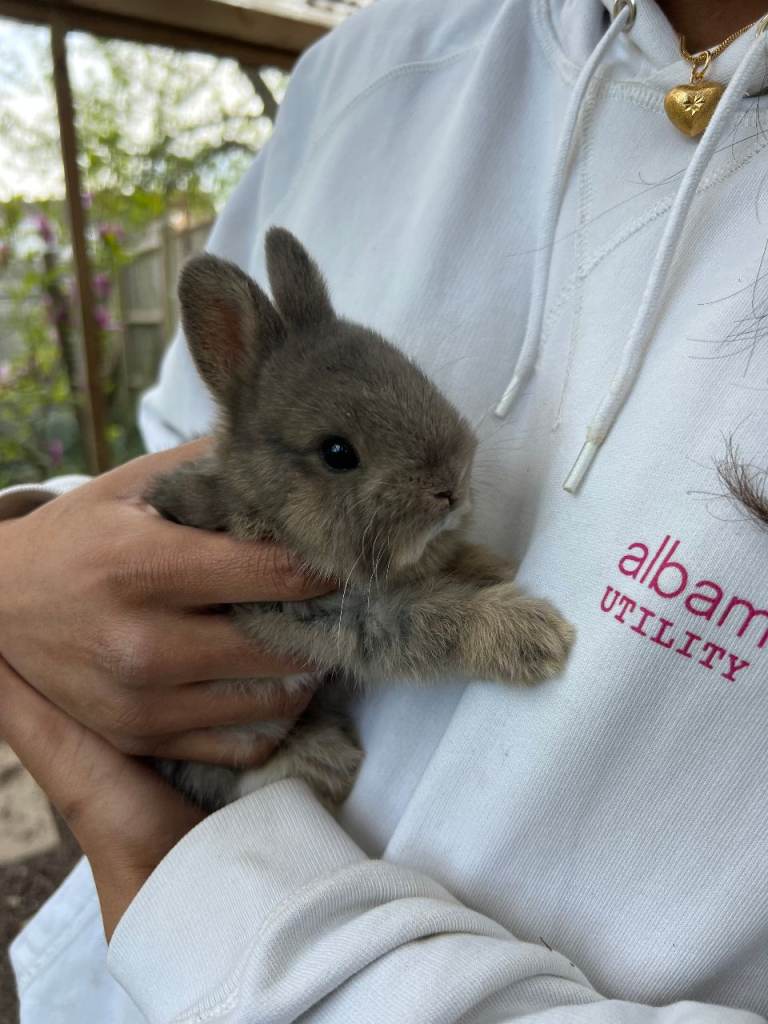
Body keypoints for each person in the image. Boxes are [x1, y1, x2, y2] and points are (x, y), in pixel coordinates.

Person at [2, 0, 768, 1019]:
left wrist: (187, 887)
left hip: (191, 910)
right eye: (339, 455)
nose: (455, 468)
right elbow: (172, 551)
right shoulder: (368, 65)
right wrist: (30, 567)